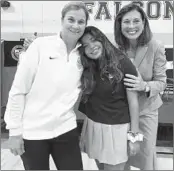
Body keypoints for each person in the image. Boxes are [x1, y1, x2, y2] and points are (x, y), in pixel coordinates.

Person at [4, 1, 89, 170]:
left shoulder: (85, 53)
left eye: (81, 22)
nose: (76, 25)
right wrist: (14, 131)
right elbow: (19, 90)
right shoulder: (40, 46)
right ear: (62, 20)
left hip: (66, 128)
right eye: (71, 20)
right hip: (33, 132)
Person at [77, 26, 144, 170]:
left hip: (116, 129)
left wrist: (134, 136)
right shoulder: (87, 64)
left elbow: (133, 102)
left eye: (94, 41)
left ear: (102, 39)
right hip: (94, 125)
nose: (92, 47)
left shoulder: (123, 62)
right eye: (85, 45)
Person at [114, 3, 167, 170]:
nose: (131, 26)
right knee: (122, 155)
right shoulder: (115, 48)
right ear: (120, 24)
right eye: (126, 22)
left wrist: (144, 85)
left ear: (144, 23)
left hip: (147, 111)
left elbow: (162, 82)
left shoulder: (155, 46)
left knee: (145, 155)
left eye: (136, 21)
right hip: (121, 112)